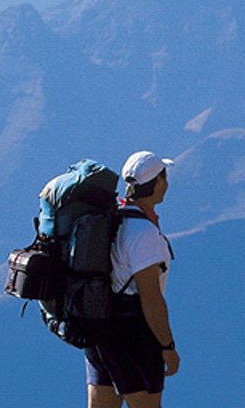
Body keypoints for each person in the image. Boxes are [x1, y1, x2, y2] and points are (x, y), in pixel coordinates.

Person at [85, 151, 179, 408]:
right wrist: (167, 346)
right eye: (164, 177)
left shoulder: (113, 218)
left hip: (99, 327)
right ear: (158, 183)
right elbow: (151, 297)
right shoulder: (142, 232)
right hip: (133, 332)